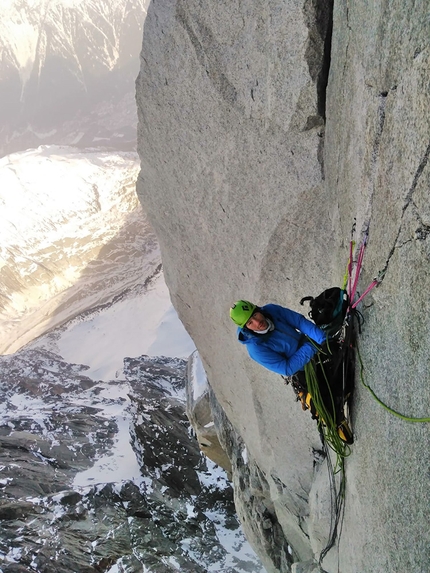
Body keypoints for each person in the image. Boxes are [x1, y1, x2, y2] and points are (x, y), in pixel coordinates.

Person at [229, 299, 326, 377]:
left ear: (258, 310)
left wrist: (323, 339)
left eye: (255, 315)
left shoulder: (272, 310)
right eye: (250, 323)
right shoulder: (256, 349)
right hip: (304, 367)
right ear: (246, 328)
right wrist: (312, 346)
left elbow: (299, 322)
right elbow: (286, 368)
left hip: (311, 342)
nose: (257, 322)